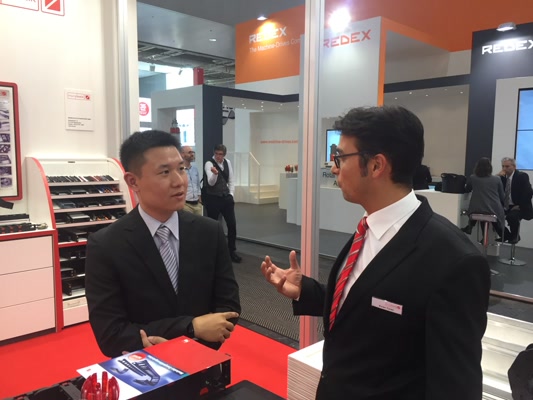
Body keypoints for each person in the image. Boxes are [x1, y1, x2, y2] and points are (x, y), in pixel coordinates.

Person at [261, 106, 490, 399]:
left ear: (376, 165)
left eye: (340, 157)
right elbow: (367, 304)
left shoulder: (454, 261)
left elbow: (456, 388)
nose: (334, 168)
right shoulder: (367, 229)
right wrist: (306, 291)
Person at [85, 130, 240, 361]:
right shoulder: (106, 245)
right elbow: (111, 334)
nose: (179, 181)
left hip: (204, 360)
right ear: (133, 181)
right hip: (144, 367)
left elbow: (228, 306)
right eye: (165, 172)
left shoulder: (209, 232)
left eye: (181, 169)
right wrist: (191, 328)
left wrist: (194, 346)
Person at [203, 144, 242, 263]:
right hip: (213, 199)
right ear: (214, 153)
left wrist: (231, 194)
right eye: (216, 154)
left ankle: (232, 251)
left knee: (232, 225)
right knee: (213, 226)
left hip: (226, 199)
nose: (218, 156)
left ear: (224, 155)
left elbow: (231, 180)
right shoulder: (209, 164)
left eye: (220, 154)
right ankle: (213, 252)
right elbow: (211, 183)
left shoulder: (227, 162)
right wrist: (215, 174)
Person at [461, 157, 505, 237]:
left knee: (481, 209)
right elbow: (502, 196)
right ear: (490, 167)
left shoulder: (473, 177)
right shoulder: (497, 179)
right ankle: (498, 234)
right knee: (488, 211)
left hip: (476, 210)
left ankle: (470, 226)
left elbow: (467, 189)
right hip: (493, 209)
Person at [498, 157, 533, 243]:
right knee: (493, 216)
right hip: (506, 206)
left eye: (507, 166)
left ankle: (515, 236)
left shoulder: (522, 176)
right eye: (503, 166)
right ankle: (506, 235)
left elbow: (528, 193)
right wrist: (498, 176)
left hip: (519, 206)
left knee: (512, 216)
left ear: (514, 167)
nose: (504, 169)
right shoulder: (501, 178)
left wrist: (519, 205)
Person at [180, 145, 203, 215]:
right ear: (182, 154)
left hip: (197, 204)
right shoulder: (179, 170)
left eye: (193, 152)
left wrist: (199, 199)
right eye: (189, 152)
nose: (192, 154)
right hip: (186, 205)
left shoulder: (195, 169)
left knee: (199, 222)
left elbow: (198, 185)